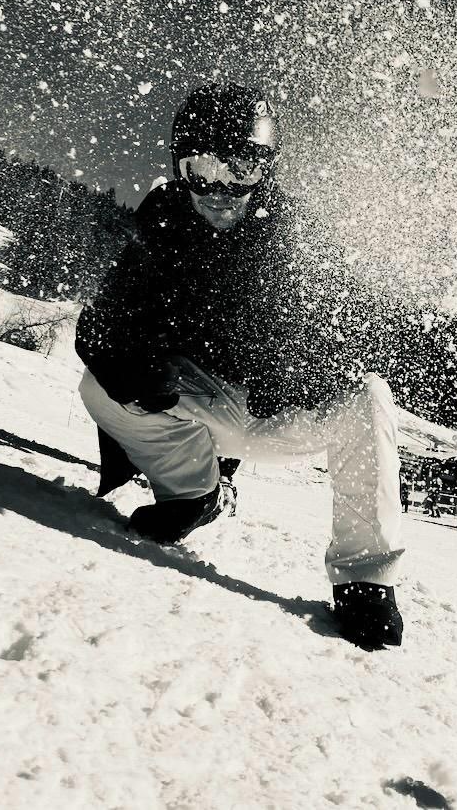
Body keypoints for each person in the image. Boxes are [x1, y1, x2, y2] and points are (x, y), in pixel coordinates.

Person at [75, 84, 407, 648]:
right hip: (202, 408)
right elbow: (96, 329)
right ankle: (191, 495)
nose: (221, 189)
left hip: (274, 414)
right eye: (204, 167)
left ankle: (365, 581)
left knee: (368, 397)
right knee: (98, 386)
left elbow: (346, 335)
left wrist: (305, 367)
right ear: (181, 170)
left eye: (242, 167)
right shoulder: (160, 236)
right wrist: (135, 358)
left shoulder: (294, 242)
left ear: (264, 172)